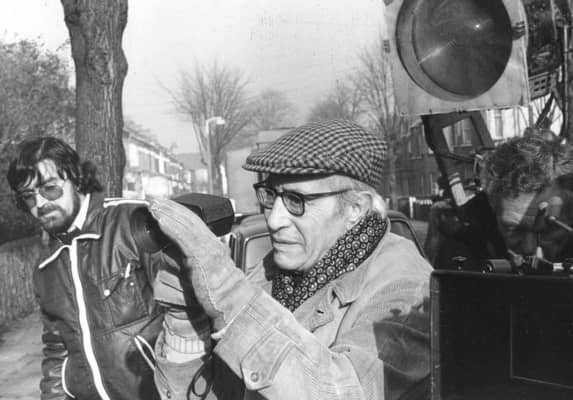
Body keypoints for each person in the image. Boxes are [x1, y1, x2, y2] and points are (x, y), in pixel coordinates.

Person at [149, 119, 432, 400]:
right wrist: (186, 323)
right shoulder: (272, 273)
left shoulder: (408, 289)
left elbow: (343, 393)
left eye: (297, 201)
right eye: (271, 195)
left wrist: (226, 290)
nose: (274, 220)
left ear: (355, 208)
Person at [6, 136, 165, 400]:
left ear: (77, 179)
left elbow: (187, 310)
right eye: (28, 197)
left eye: (50, 189)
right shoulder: (46, 268)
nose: (41, 204)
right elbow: (56, 351)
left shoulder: (132, 223)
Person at [485, 132, 573, 264]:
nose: (529, 249)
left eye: (547, 231)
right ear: (492, 208)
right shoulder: (469, 241)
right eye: (513, 231)